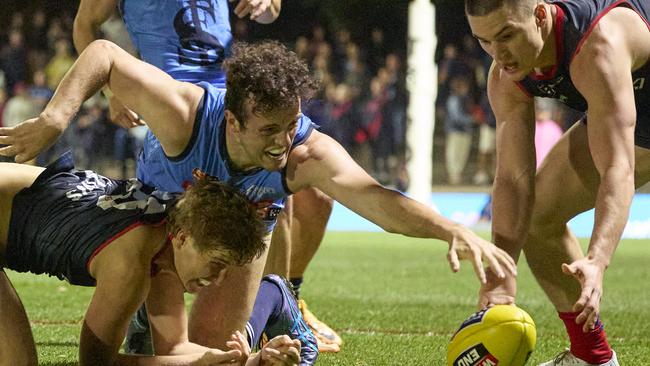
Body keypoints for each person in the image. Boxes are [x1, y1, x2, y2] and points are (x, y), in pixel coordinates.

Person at [0, 39, 517, 357]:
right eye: (269, 128)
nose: (283, 141)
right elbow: (105, 56)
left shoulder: (304, 154)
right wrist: (53, 119)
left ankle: (278, 299)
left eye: (291, 124)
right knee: (149, 338)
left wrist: (453, 229)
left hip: (239, 235)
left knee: (209, 358)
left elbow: (377, 199)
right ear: (232, 120)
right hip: (161, 227)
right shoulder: (186, 116)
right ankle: (154, 313)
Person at [72, 0, 342, 352]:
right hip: (176, 108)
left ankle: (283, 304)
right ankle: (150, 311)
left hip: (232, 105)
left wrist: (266, 4)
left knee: (303, 196)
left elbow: (272, 9)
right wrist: (110, 92)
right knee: (166, 225)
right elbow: (84, 26)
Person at [465, 0, 650, 364]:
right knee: (538, 220)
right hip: (623, 105)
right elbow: (513, 180)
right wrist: (500, 277)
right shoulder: (505, 75)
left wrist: (597, 260)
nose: (498, 54)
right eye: (484, 41)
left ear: (539, 15)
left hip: (624, 104)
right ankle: (593, 357)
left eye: (506, 35)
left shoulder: (597, 46)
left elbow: (618, 168)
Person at [0, 151, 310, 365]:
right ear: (185, 239)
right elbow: (96, 362)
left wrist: (247, 361)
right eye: (216, 263)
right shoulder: (131, 264)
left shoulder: (164, 235)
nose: (217, 279)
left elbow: (174, 348)